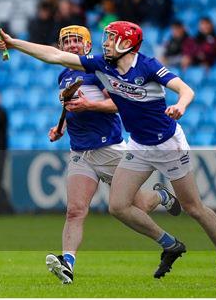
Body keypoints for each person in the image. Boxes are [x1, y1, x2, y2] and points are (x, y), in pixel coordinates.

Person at [0, 21, 216, 287]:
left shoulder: (148, 66)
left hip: (169, 144)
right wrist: (14, 42)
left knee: (194, 208)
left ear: (127, 43)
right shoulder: (103, 65)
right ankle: (167, 243)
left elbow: (186, 89)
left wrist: (180, 105)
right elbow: (54, 55)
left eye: (111, 38)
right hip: (139, 146)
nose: (106, 43)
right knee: (118, 206)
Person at [45, 25, 180, 284]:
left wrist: (90, 105)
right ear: (61, 48)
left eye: (77, 41)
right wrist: (60, 127)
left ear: (87, 46)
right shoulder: (63, 74)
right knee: (75, 210)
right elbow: (71, 107)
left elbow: (119, 104)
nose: (72, 46)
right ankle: (68, 264)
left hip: (109, 148)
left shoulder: (99, 71)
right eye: (67, 42)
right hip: (79, 151)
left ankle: (161, 197)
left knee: (137, 206)